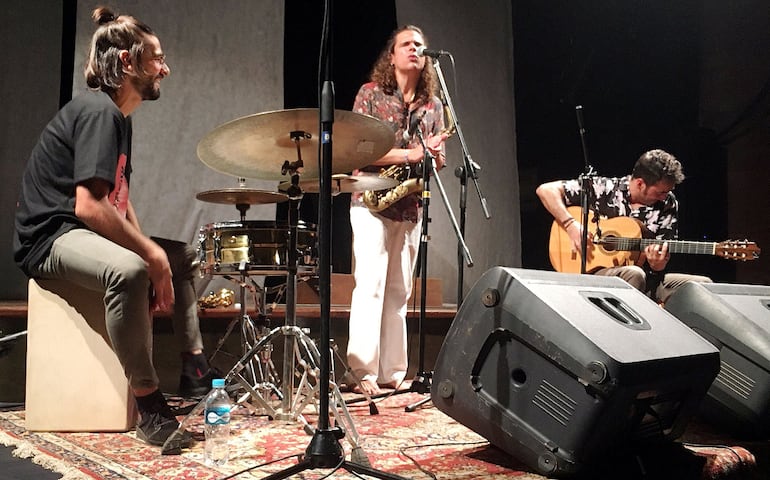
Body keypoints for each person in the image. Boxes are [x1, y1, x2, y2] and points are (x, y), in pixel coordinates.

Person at [13, 7, 215, 447]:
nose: (165, 69)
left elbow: (118, 196)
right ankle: (151, 409)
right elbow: (88, 206)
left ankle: (195, 368)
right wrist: (148, 255)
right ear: (127, 61)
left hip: (82, 232)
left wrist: (155, 251)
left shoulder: (119, 118)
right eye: (157, 58)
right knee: (129, 270)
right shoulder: (97, 112)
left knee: (183, 256)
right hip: (49, 237)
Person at [346, 25, 448, 396]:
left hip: (408, 205)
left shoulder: (433, 105)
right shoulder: (371, 94)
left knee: (399, 291)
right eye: (406, 44)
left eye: (420, 45)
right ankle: (362, 371)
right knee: (370, 286)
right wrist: (411, 154)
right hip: (370, 201)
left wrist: (434, 156)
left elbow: (438, 161)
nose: (414, 49)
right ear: (392, 56)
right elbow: (359, 149)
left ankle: (393, 372)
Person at [536, 148, 711, 303]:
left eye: (668, 192)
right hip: (597, 273)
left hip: (648, 278)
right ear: (640, 183)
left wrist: (657, 265)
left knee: (703, 287)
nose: (665, 196)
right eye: (661, 192)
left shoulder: (667, 203)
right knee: (634, 274)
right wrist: (571, 225)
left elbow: (660, 256)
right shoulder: (604, 188)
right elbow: (545, 190)